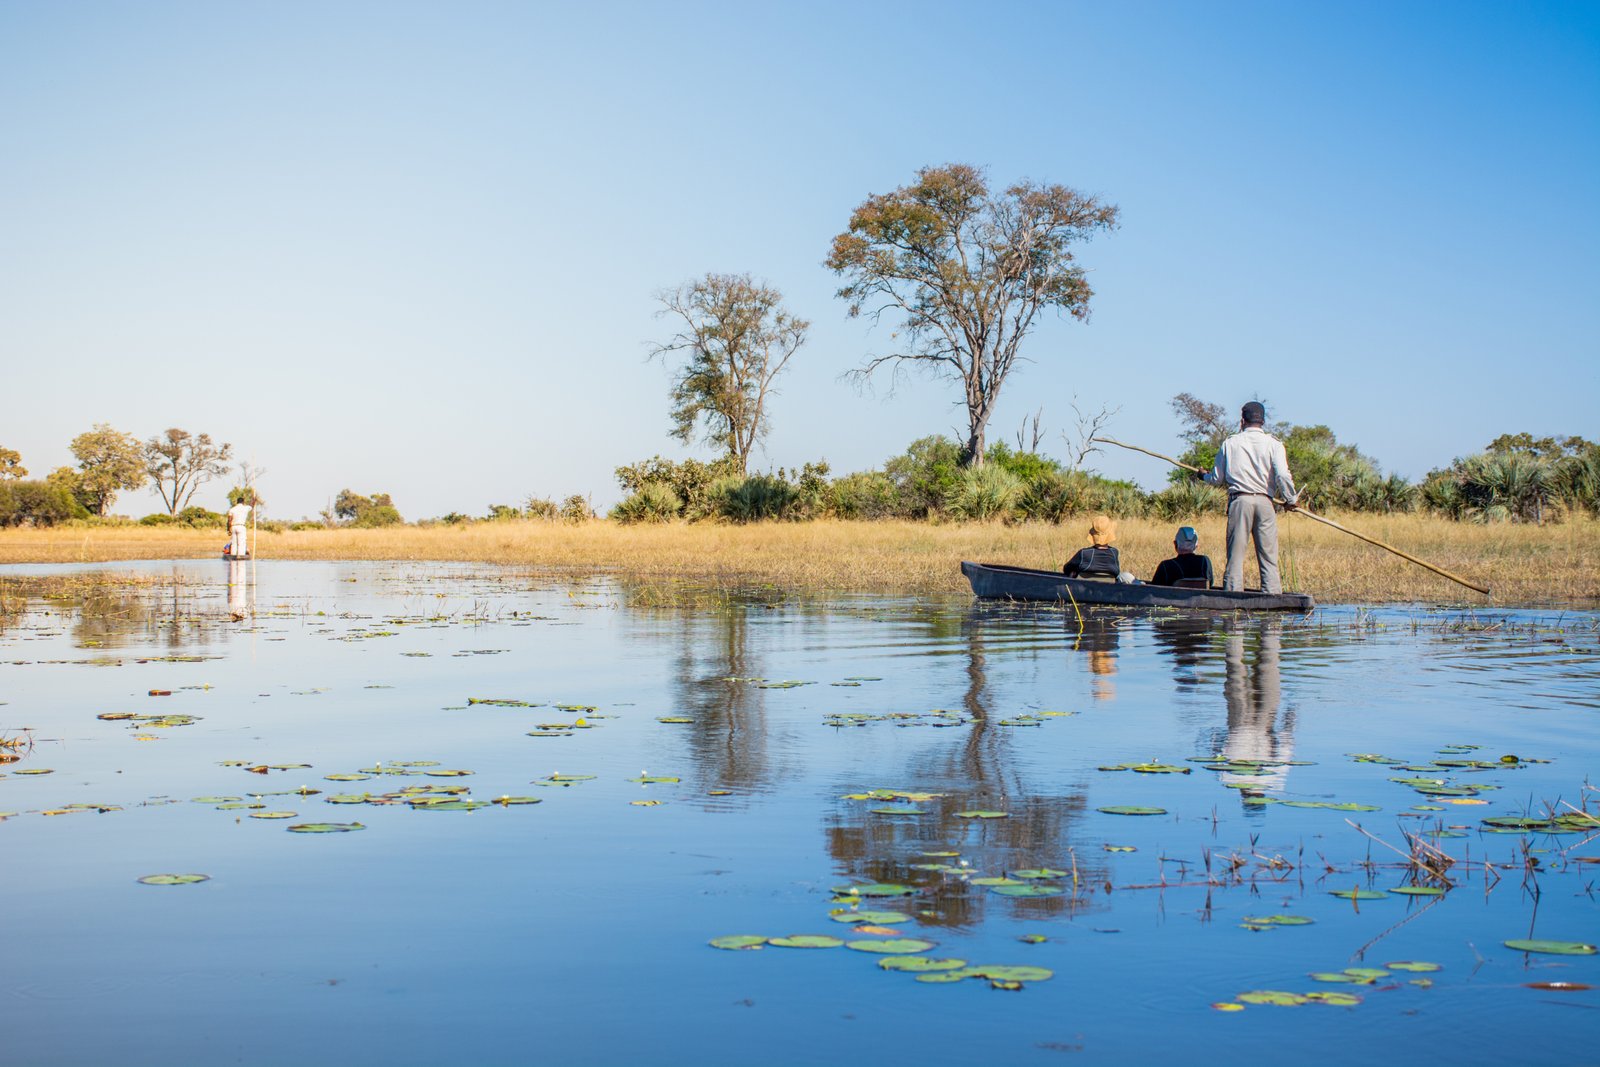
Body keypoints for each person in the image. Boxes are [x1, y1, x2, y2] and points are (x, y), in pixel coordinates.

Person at [1198, 401, 1298, 594]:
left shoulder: (1230, 443)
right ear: (1263, 420)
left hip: (1240, 501)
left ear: (1242, 420)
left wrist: (1203, 475)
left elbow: (1217, 479)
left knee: (1235, 558)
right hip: (1265, 502)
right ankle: (1273, 600)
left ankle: (1233, 601)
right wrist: (1290, 500)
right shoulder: (1274, 444)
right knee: (1269, 558)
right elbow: (1283, 476)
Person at [1150, 525, 1214, 587]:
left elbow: (1154, 590)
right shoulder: (1205, 561)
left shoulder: (1165, 565)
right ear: (1196, 545)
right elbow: (1210, 584)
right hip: (1202, 598)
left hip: (1173, 598)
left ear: (1175, 544)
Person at [1063, 515, 1122, 580]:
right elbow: (1117, 572)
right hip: (1108, 589)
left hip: (1083, 588)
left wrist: (1074, 572)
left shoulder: (1084, 553)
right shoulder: (1114, 552)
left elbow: (1066, 569)